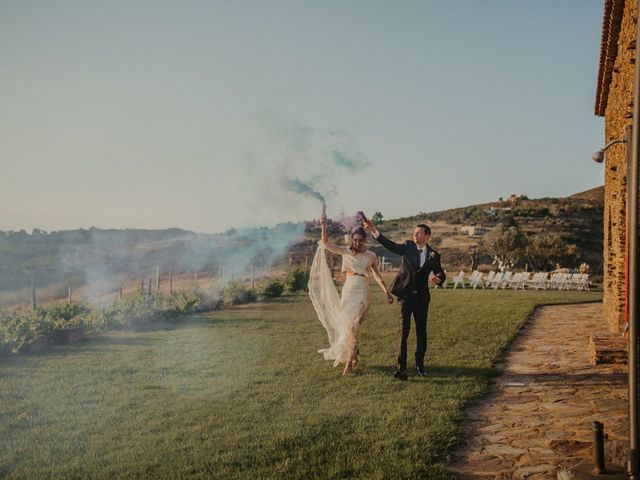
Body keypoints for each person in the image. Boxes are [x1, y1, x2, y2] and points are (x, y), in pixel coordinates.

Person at [308, 211, 393, 376]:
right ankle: (354, 352)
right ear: (352, 240)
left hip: (363, 292)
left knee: (354, 326)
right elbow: (326, 243)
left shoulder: (371, 256)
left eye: (361, 240)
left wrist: (386, 291)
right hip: (348, 292)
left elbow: (376, 275)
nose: (358, 243)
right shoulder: (345, 251)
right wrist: (324, 226)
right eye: (355, 240)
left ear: (365, 240)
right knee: (349, 329)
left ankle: (349, 365)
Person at [363, 219, 445, 380]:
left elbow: (441, 273)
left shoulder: (434, 255)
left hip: (422, 299)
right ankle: (401, 369)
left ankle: (420, 366)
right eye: (414, 233)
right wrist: (374, 231)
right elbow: (390, 245)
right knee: (403, 331)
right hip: (405, 297)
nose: (415, 235)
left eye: (418, 233)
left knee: (422, 332)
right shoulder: (407, 246)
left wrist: (438, 279)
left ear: (427, 236)